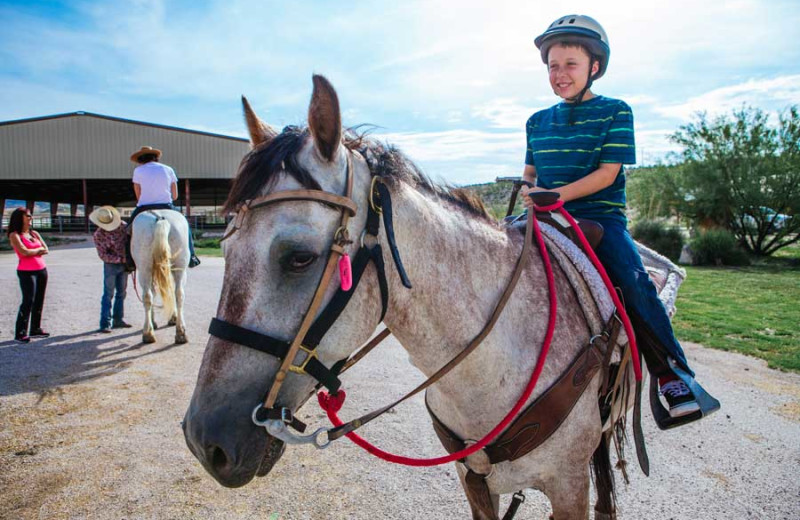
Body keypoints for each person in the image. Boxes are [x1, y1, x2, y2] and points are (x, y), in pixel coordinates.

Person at [522, 14, 718, 421]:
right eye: (553, 66)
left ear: (594, 67)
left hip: (597, 218)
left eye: (570, 65)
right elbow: (530, 173)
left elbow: (607, 174)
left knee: (632, 281)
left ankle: (673, 375)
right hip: (543, 217)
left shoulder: (615, 112)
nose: (560, 74)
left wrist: (556, 195)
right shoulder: (536, 122)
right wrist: (529, 189)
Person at [127, 146, 200, 269]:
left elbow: (138, 195)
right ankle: (192, 256)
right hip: (166, 205)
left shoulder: (138, 171)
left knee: (127, 231)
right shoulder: (168, 169)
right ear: (156, 157)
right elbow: (175, 195)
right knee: (185, 226)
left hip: (144, 207)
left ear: (140, 159)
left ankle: (128, 261)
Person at [7, 208, 50, 343]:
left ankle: (35, 328)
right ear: (20, 218)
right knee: (28, 300)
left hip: (41, 269)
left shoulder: (34, 233)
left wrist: (34, 251)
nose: (31, 218)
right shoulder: (15, 235)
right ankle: (20, 332)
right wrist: (38, 250)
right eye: (28, 216)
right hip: (26, 272)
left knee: (39, 299)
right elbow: (24, 252)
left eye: (31, 215)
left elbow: (46, 249)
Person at [90, 206, 132, 333]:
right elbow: (103, 255)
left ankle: (118, 319)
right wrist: (122, 260)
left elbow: (131, 240)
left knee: (121, 293)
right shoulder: (99, 235)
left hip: (122, 264)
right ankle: (105, 323)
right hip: (111, 265)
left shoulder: (123, 227)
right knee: (108, 294)